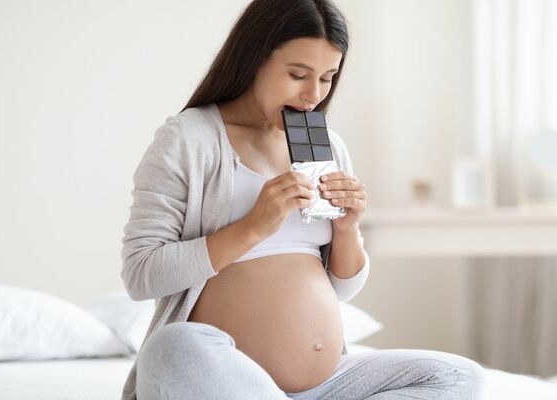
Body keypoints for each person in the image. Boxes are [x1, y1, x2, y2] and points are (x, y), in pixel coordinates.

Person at [120, 0, 484, 399]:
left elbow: (341, 290)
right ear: (253, 59)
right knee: (174, 349)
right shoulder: (188, 139)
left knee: (456, 376)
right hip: (223, 381)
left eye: (328, 78)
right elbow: (142, 276)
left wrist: (347, 228)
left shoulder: (326, 145)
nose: (313, 95)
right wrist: (253, 227)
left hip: (326, 385)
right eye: (298, 75)